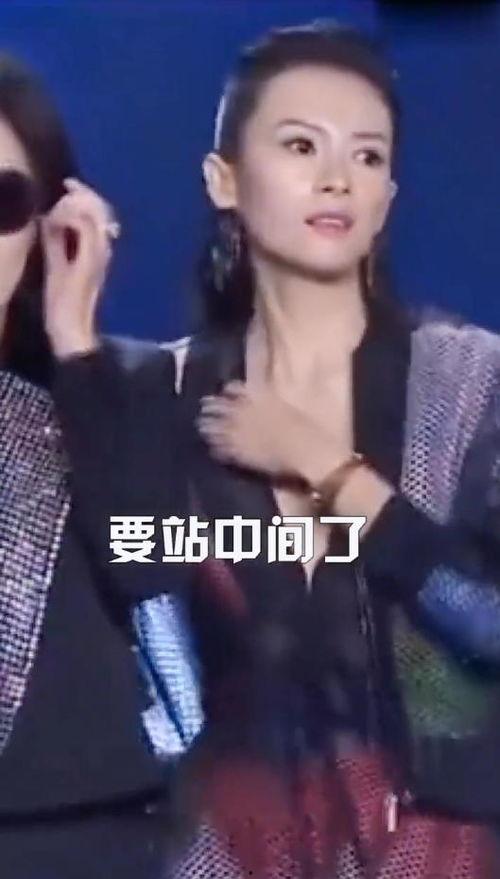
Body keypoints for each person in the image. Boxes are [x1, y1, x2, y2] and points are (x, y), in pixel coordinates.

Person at [50, 21, 500, 878]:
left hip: (440, 853)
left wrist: (326, 468)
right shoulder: (168, 392)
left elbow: (489, 618)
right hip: (229, 849)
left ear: (387, 197)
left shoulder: (471, 384)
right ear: (223, 179)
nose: (337, 177)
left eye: (367, 156)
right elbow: (144, 604)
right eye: (301, 145)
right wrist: (75, 344)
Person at [0, 54, 186, 879]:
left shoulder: (121, 386)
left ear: (51, 223)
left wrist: (75, 344)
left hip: (92, 841)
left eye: (0, 202)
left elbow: (149, 566)